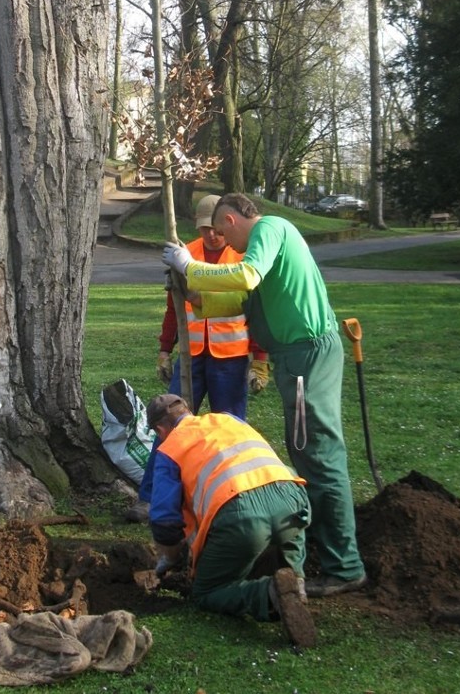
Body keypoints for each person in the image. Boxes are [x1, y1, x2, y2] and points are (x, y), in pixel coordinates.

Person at [162, 193, 367, 597]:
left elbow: (247, 276)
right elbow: (238, 299)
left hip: (307, 356)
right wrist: (190, 291)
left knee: (319, 456)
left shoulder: (270, 230)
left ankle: (344, 566)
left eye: (223, 231)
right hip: (297, 359)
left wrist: (191, 265)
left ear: (233, 219)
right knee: (308, 452)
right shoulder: (266, 246)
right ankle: (328, 555)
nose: (225, 242)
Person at [126, 194, 268, 521]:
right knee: (169, 428)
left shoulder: (242, 253)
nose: (212, 236)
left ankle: (234, 498)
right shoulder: (184, 254)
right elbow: (173, 310)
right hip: (191, 358)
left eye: (216, 229)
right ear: (199, 226)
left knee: (231, 431)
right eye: (205, 229)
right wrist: (165, 350)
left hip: (230, 360)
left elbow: (254, 312)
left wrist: (259, 359)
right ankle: (150, 499)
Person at [145, 393, 317, 646]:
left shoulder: (169, 448)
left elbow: (165, 522)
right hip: (292, 499)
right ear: (189, 412)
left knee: (206, 592)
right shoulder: (229, 420)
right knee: (290, 533)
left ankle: (269, 595)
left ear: (160, 429)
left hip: (242, 517)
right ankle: (295, 581)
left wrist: (169, 559)